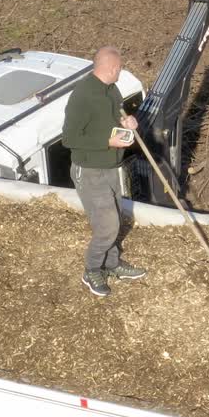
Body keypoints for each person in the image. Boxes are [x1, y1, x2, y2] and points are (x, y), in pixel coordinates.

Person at [62, 46, 147, 297]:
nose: (120, 72)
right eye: (119, 68)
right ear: (110, 68)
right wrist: (107, 142)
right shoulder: (83, 96)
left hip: (111, 166)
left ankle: (112, 264)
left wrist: (126, 122)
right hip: (89, 170)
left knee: (115, 218)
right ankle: (91, 269)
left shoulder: (111, 89)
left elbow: (113, 117)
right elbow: (69, 138)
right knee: (107, 226)